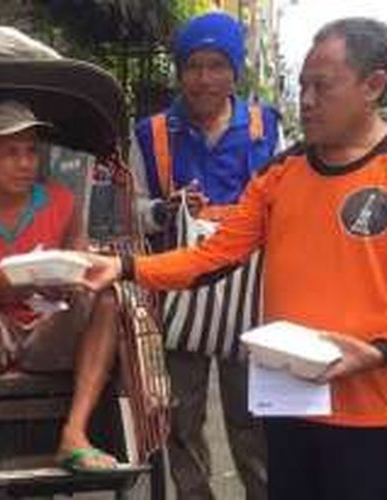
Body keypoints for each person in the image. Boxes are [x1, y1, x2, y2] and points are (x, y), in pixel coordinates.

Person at [84, 17, 387, 500]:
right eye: (303, 86)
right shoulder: (281, 174)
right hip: (293, 405)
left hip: (374, 417)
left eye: (322, 87)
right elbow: (215, 256)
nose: (306, 101)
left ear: (373, 86)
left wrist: (377, 352)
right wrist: (126, 268)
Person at [131, 11, 280, 500]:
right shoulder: (151, 133)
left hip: (250, 299)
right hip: (179, 297)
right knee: (180, 417)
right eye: (193, 65)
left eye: (217, 65)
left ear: (234, 70)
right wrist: (162, 208)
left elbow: (288, 202)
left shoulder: (265, 127)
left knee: (251, 417)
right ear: (179, 70)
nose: (204, 78)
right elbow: (131, 211)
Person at [0, 100, 120, 473]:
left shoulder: (63, 202)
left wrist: (67, 282)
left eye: (32, 151)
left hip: (51, 325)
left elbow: (83, 273)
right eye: (11, 153)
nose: (25, 163)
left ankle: (75, 435)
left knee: (108, 298)